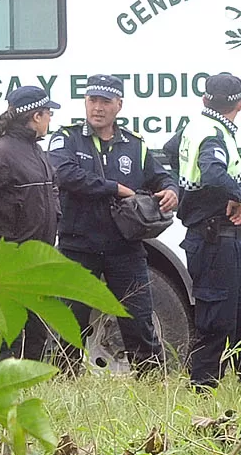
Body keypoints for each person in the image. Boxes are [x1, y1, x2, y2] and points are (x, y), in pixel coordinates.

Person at [49, 74, 179, 373]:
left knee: (139, 320)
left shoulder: (134, 144)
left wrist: (171, 189)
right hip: (78, 246)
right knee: (70, 321)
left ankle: (151, 384)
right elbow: (64, 174)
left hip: (125, 248)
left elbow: (160, 175)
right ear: (85, 102)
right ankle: (63, 383)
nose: (97, 107)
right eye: (92, 100)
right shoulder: (67, 138)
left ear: (118, 105)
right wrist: (113, 188)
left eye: (105, 101)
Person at [163, 73, 241, 391]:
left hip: (224, 241)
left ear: (205, 100)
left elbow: (170, 150)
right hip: (214, 241)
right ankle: (203, 388)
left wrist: (186, 189)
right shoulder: (213, 134)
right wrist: (239, 197)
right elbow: (212, 172)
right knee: (217, 322)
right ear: (240, 103)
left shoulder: (196, 125)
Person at [0, 85, 61, 361]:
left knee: (36, 332)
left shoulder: (36, 150)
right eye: (48, 113)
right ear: (36, 116)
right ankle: (1, 392)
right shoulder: (0, 153)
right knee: (7, 335)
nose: (50, 119)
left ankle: (31, 389)